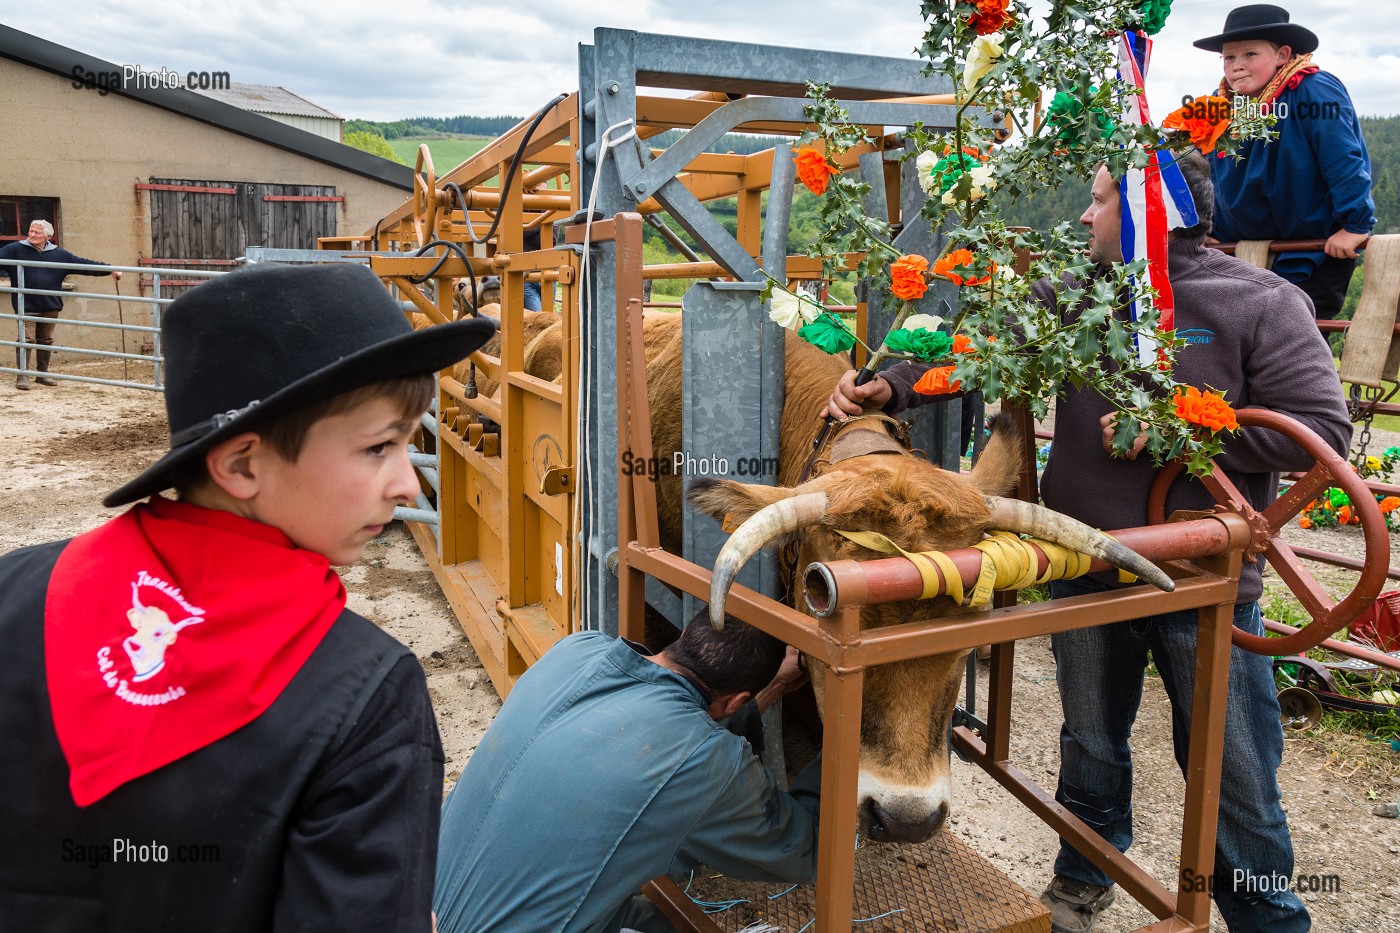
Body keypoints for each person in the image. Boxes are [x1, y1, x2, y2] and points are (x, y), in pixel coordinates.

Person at [826, 153, 1349, 932]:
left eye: (1099, 201)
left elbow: (1323, 434)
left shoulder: (1262, 303)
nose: (1082, 216)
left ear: (1151, 213)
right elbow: (982, 346)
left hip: (1201, 580)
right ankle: (1085, 873)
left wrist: (1175, 428)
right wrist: (891, 384)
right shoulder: (1069, 294)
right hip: (1086, 567)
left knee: (1236, 771)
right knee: (1092, 742)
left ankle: (1266, 916)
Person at [0, 263, 497, 931]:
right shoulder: (367, 696)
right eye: (380, 446)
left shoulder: (14, 590)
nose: (409, 483)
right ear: (240, 464)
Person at [433, 612, 820, 933]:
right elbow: (804, 853)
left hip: (417, 906)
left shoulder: (577, 649)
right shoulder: (705, 759)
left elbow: (680, 738)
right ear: (737, 700)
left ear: (684, 634)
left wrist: (777, 683)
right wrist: (852, 740)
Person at [1195, 4, 1375, 320]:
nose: (1236, 66)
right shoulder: (1219, 103)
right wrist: (1205, 229)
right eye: (1229, 57)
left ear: (1282, 55)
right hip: (1236, 252)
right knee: (1242, 346)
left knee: (1297, 343)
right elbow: (1201, 170)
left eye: (1250, 54)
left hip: (1311, 251)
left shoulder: (1313, 89)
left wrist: (1355, 224)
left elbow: (1342, 157)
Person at [0, 219, 123, 389]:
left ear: (48, 236)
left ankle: (42, 374)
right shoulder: (14, 249)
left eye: (37, 232)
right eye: (30, 231)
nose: (32, 235)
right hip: (25, 305)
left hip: (50, 304)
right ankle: (23, 376)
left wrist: (109, 269)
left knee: (45, 339)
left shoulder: (58, 254)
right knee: (26, 339)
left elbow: (82, 265)